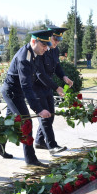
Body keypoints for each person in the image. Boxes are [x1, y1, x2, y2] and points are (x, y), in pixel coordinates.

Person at [0, 30, 53, 166]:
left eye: (46, 45)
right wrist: (38, 109)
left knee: (12, 121)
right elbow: (26, 86)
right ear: (33, 42)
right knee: (26, 123)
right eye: (43, 45)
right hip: (12, 93)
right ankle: (30, 159)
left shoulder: (35, 53)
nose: (46, 48)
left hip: (17, 91)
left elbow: (36, 75)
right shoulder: (24, 58)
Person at [34, 26, 74, 155]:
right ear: (49, 38)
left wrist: (64, 76)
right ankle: (52, 145)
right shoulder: (41, 50)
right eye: (55, 39)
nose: (57, 42)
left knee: (50, 115)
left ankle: (39, 141)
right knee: (45, 116)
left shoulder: (54, 51)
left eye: (59, 40)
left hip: (47, 86)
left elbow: (57, 66)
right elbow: (40, 74)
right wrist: (56, 87)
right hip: (37, 86)